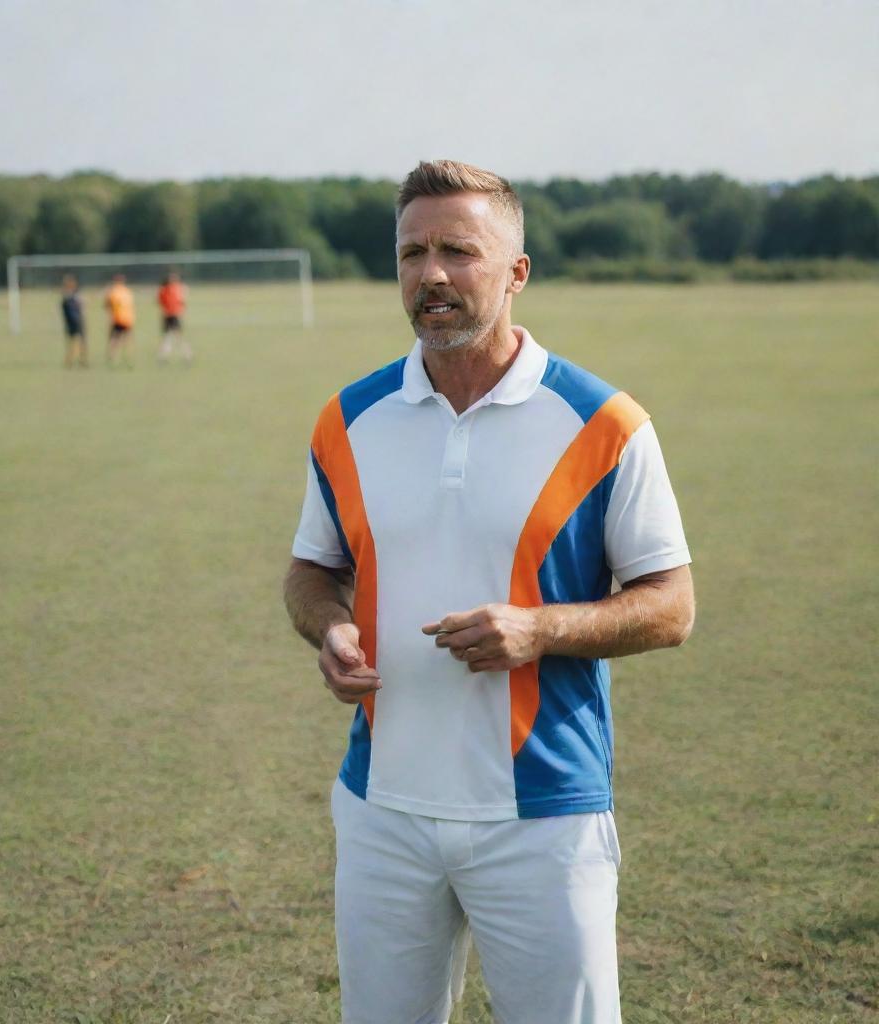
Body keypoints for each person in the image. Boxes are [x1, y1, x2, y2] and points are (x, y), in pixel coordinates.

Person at [283, 160, 695, 1024]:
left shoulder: (605, 424)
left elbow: (671, 605)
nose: (430, 274)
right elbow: (312, 572)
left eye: (458, 252)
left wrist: (539, 628)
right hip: (381, 811)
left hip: (543, 817)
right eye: (412, 252)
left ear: (516, 273)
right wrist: (327, 628)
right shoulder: (347, 420)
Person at [156, 270, 191, 364]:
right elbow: (161, 301)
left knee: (176, 337)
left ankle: (187, 355)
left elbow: (182, 301)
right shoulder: (168, 289)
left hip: (174, 315)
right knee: (168, 337)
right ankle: (164, 357)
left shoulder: (176, 288)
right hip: (169, 315)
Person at [103, 273, 135, 368]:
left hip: (117, 319)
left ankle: (112, 359)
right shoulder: (127, 291)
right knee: (127, 340)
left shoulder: (112, 292)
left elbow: (107, 305)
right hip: (128, 319)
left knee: (114, 340)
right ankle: (128, 359)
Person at [60, 274, 88, 368]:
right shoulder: (67, 296)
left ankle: (82, 360)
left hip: (78, 320)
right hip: (73, 321)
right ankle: (70, 361)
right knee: (73, 342)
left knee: (81, 342)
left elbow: (82, 305)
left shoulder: (74, 294)